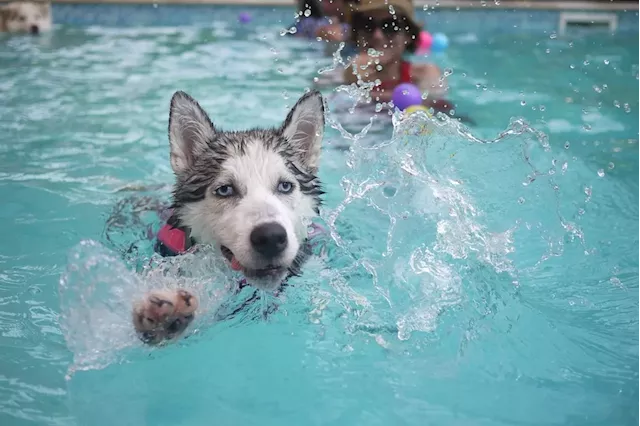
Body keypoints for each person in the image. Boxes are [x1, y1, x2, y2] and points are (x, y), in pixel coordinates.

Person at [342, 0, 455, 116]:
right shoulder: (343, 74)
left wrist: (363, 95)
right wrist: (351, 82)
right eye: (367, 25)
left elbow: (439, 110)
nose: (377, 36)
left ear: (408, 35)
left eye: (390, 26)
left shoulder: (424, 74)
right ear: (357, 35)